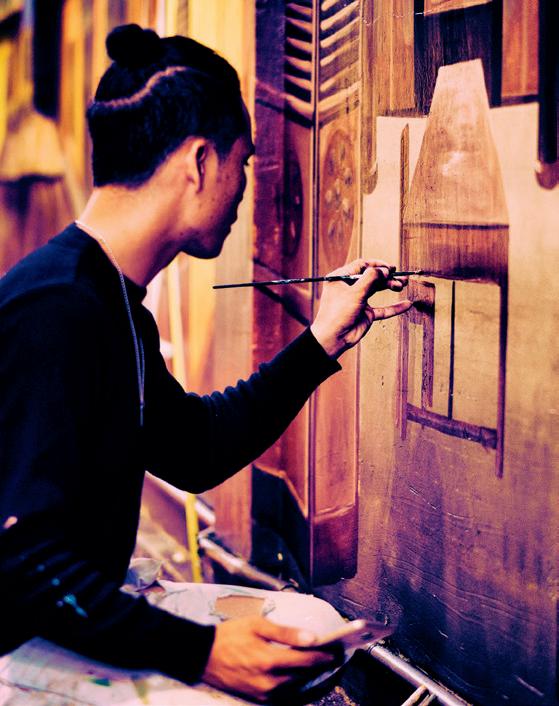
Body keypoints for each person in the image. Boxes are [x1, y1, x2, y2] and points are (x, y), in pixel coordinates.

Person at [0, 24, 412, 703]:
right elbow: (18, 563)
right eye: (242, 163)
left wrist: (319, 342)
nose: (245, 188)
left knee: (309, 628)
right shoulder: (57, 308)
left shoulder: (108, 301)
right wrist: (202, 655)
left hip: (57, 622)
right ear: (197, 163)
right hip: (18, 652)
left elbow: (193, 449)